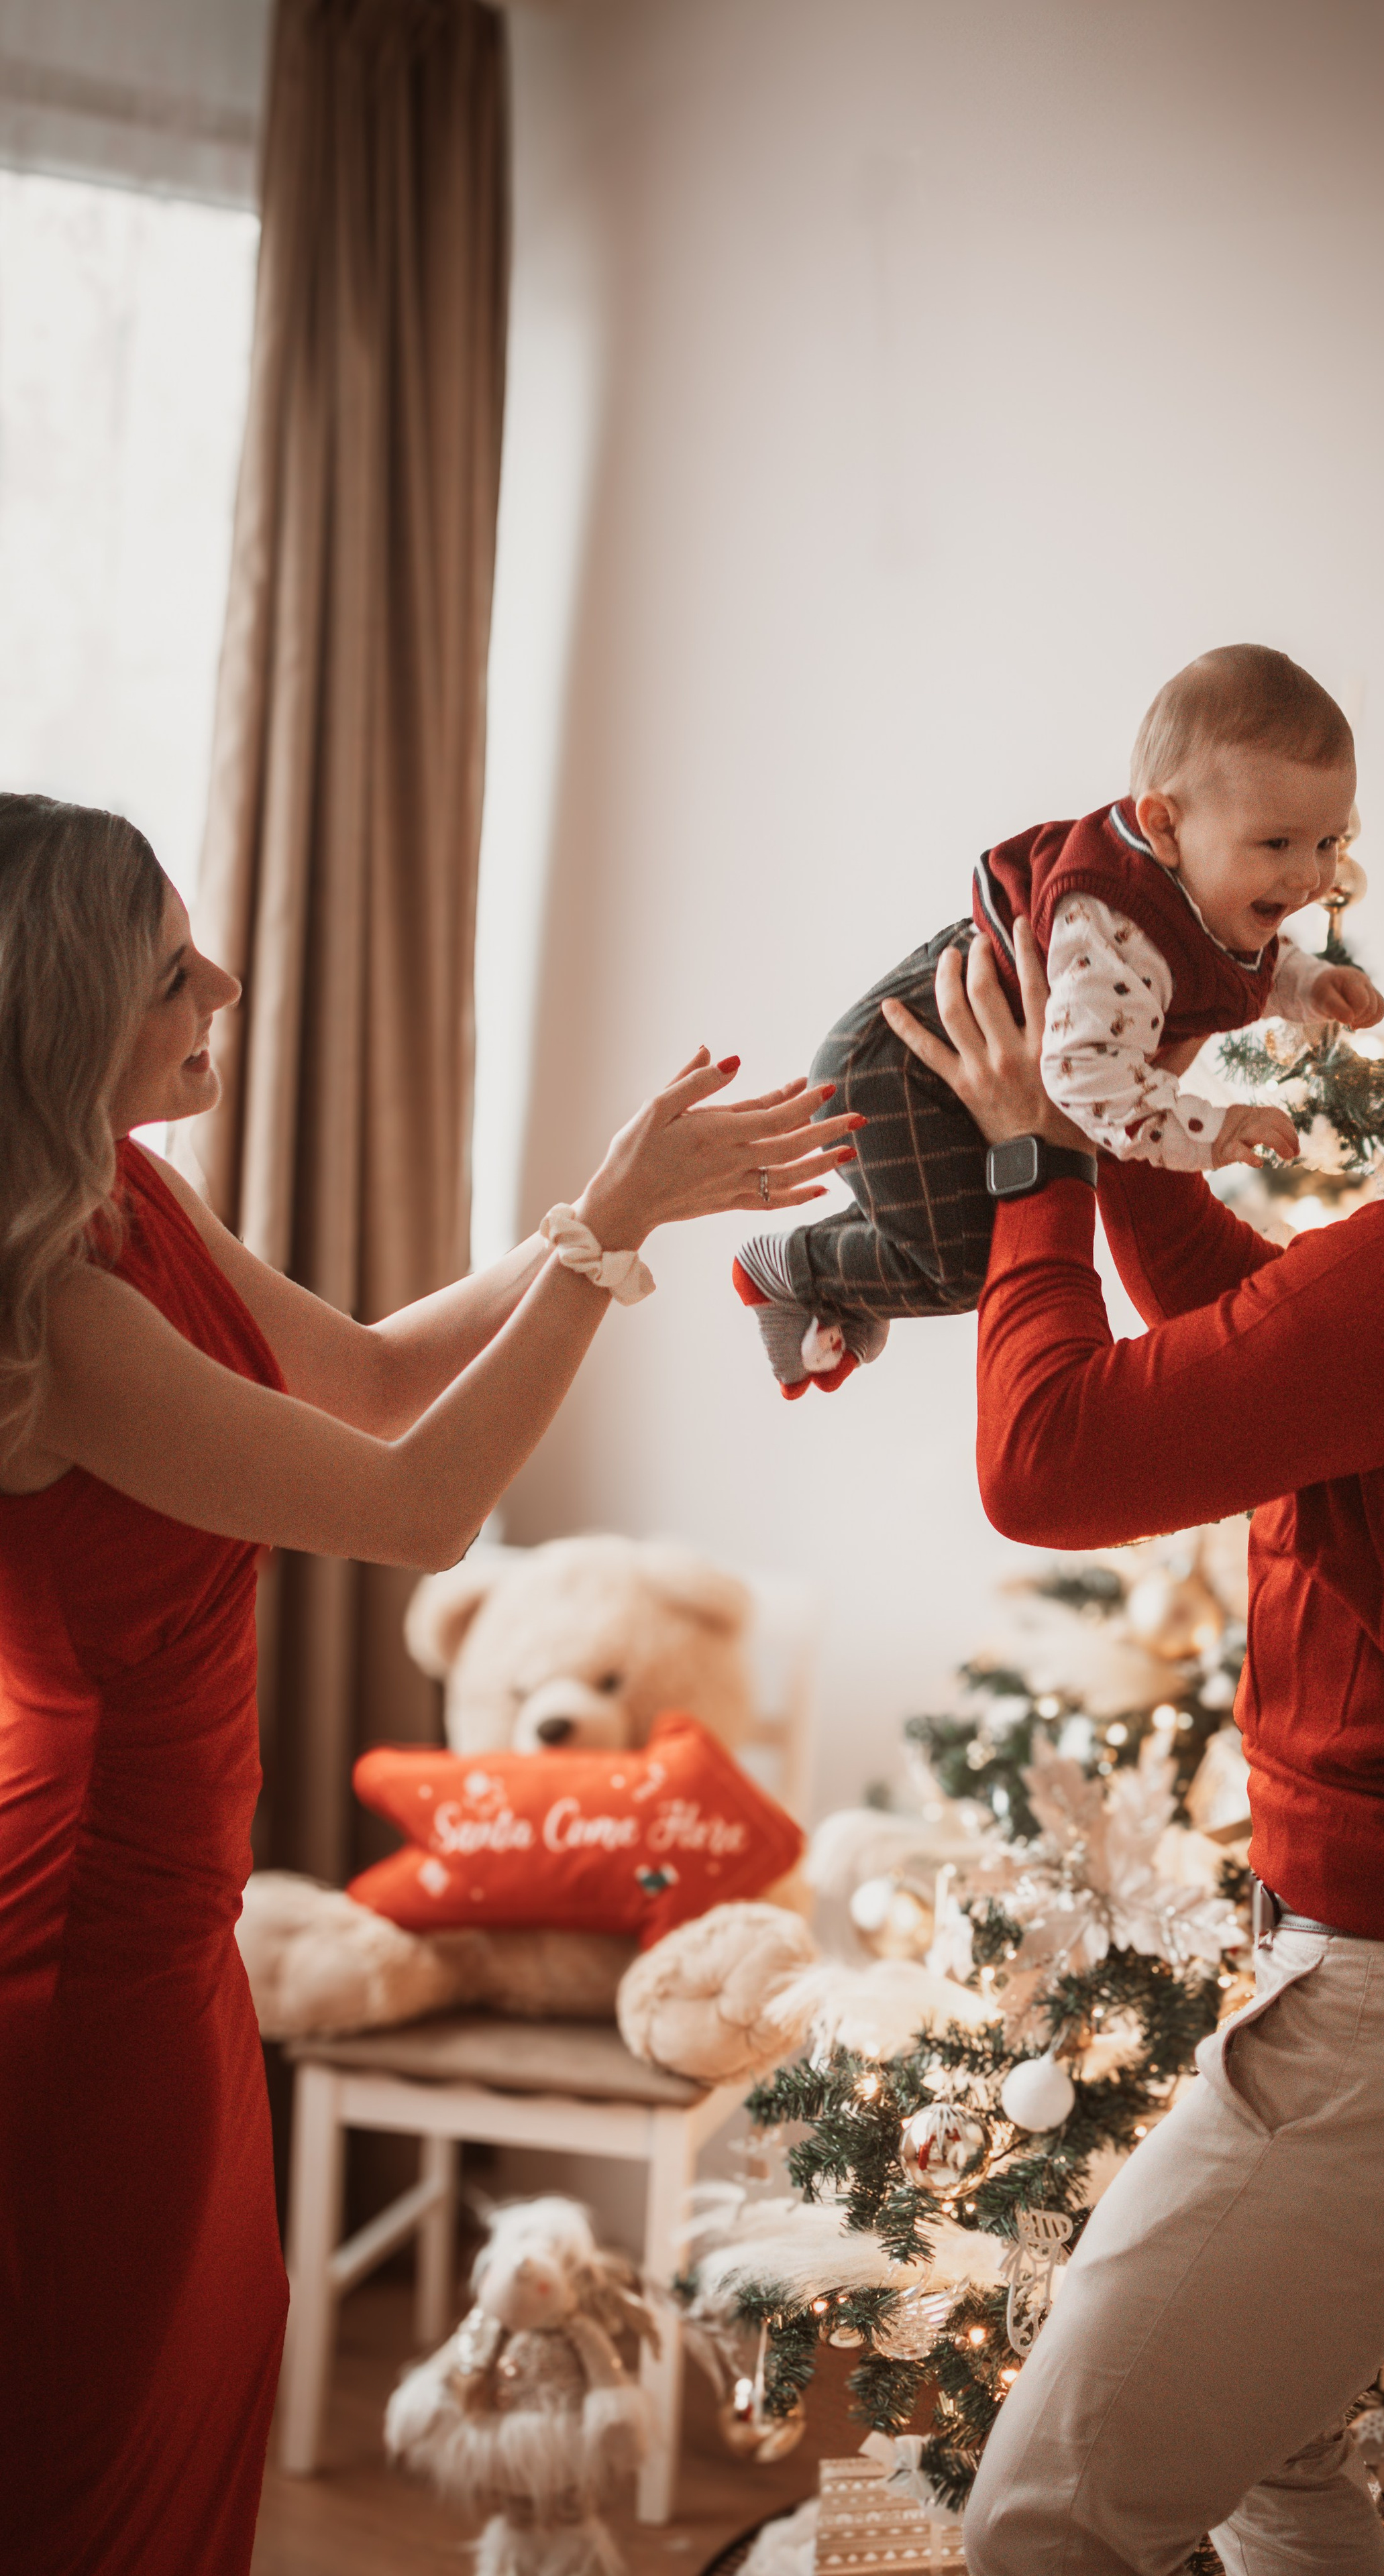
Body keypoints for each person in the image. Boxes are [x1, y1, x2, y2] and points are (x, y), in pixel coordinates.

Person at [0, 793, 859, 2576]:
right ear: (67, 1010)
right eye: (174, 966)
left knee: (194, 2374)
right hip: (91, 1962)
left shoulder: (123, 1193)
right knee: (99, 2441)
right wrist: (612, 1251)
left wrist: (605, 1212)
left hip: (174, 1933)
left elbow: (382, 1380)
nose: (222, 979)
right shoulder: (55, 1310)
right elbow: (419, 1508)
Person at [882, 753, 1384, 2576]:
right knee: (1274, 2471)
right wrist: (1103, 1130)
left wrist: (1030, 1155)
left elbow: (1051, 1461)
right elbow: (1269, 1351)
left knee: (1047, 2523)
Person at [733, 644, 1384, 1396]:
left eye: (1328, 842)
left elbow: (1239, 959)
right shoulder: (1114, 929)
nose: (1308, 875)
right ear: (1164, 828)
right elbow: (1092, 1084)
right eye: (1277, 843)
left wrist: (1310, 986)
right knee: (966, 1264)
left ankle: (823, 1300)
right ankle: (795, 1267)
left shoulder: (1193, 899)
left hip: (933, 1065)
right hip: (897, 1069)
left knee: (951, 1234)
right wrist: (1218, 1128)